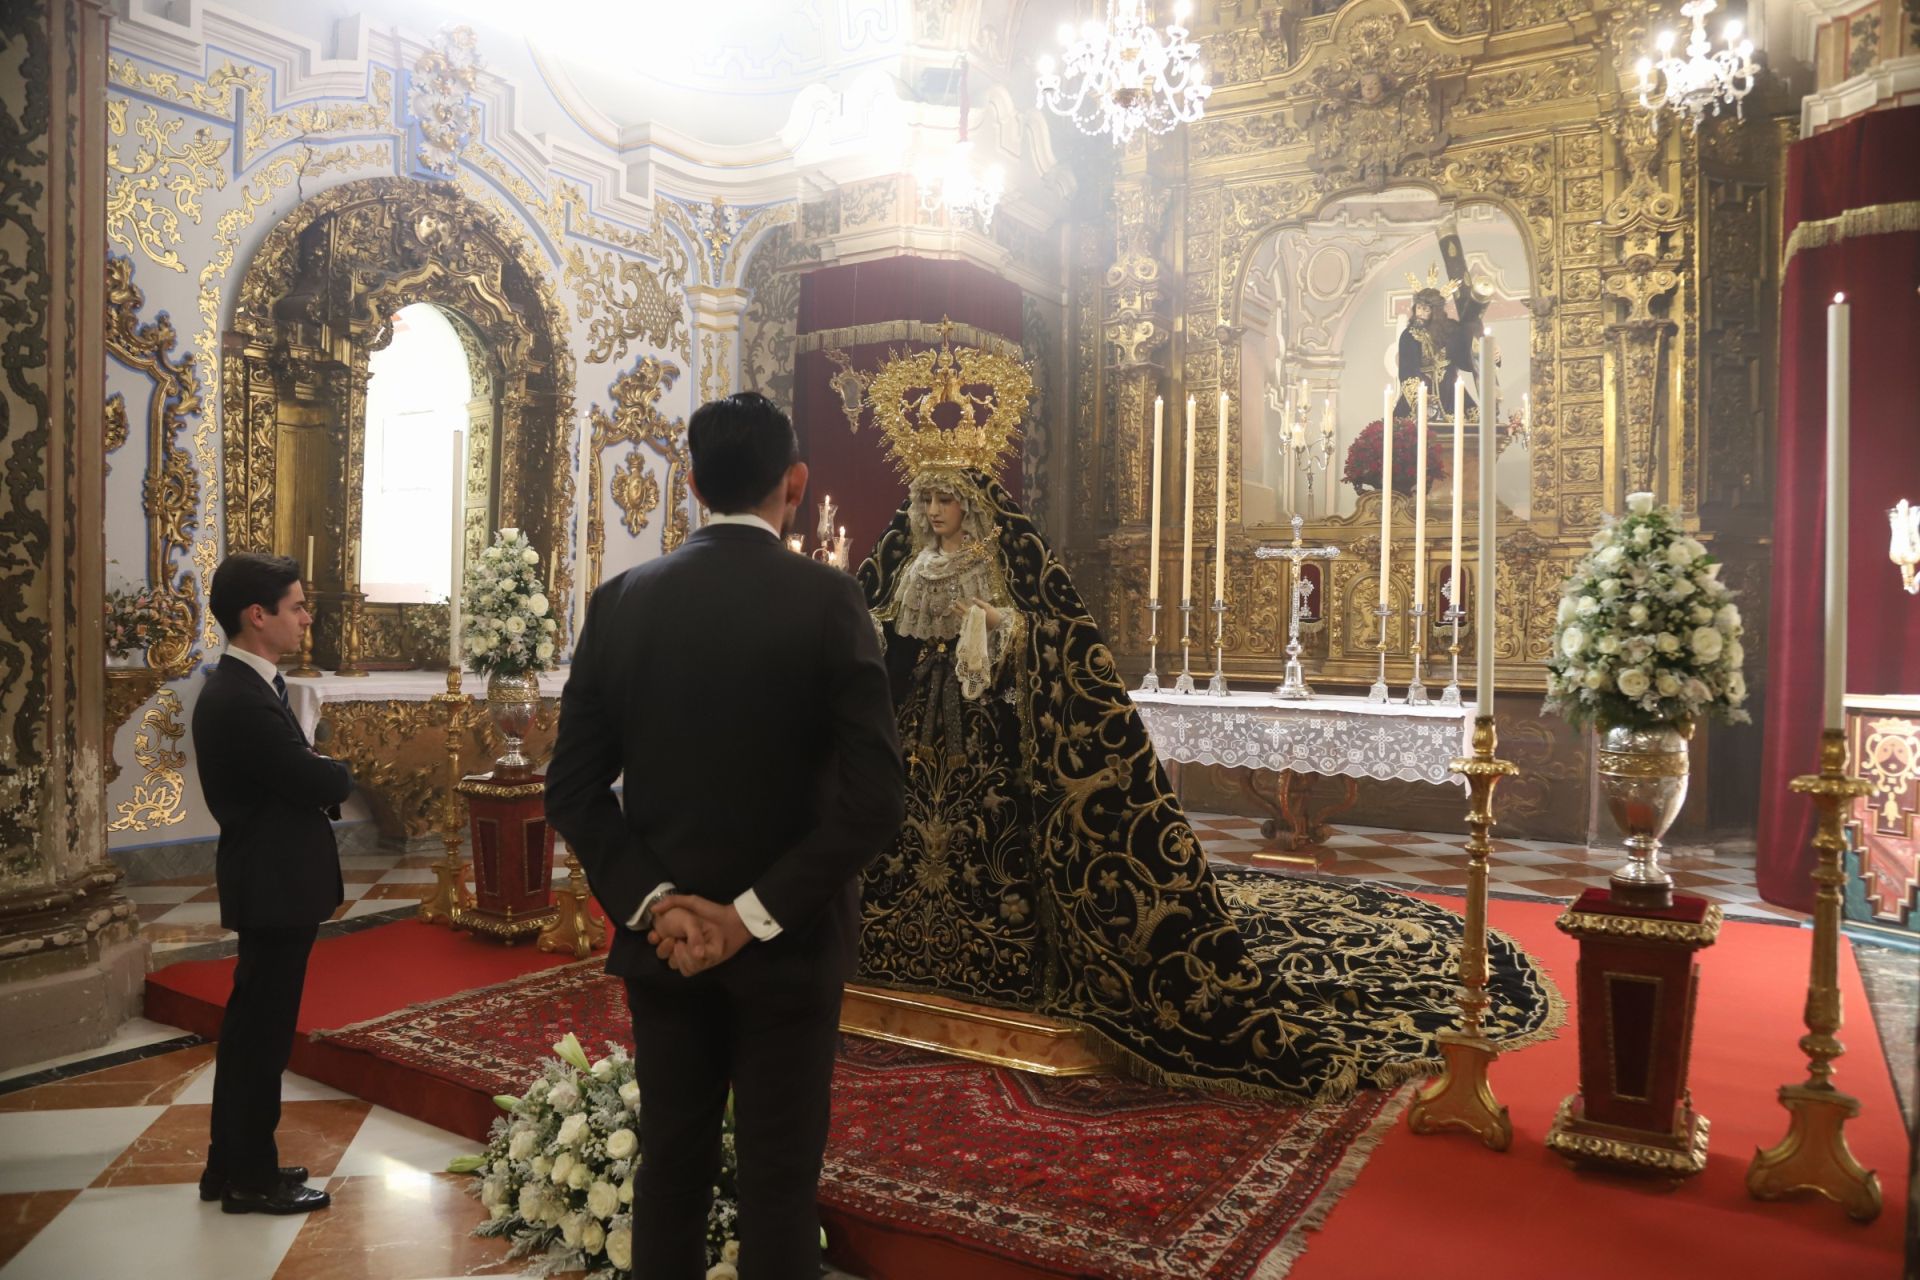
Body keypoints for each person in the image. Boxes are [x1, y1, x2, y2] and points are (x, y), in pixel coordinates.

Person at [857, 462, 1556, 1102]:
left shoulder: (992, 562)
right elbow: (896, 635)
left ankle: (1006, 952)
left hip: (984, 729)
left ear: (971, 510)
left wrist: (991, 625)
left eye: (946, 499)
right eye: (925, 500)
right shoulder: (917, 565)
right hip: (926, 730)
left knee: (995, 837)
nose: (935, 509)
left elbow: (1042, 634)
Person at [545, 391, 904, 1280]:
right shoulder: (829, 600)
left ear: (695, 482)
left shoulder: (622, 600)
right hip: (790, 944)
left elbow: (575, 789)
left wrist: (656, 904)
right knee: (780, 1183)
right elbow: (876, 801)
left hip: (663, 946)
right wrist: (750, 915)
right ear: (796, 482)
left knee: (672, 1167)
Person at [192, 552, 352, 1215]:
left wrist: (315, 765)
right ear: (257, 616)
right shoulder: (239, 696)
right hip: (273, 882)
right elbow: (313, 778)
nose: (305, 617)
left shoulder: (254, 686)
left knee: (256, 1031)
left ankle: (232, 1165)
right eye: (295, 606)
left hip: (274, 879)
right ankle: (248, 1178)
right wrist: (333, 770)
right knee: (260, 1036)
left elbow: (298, 769)